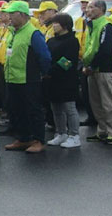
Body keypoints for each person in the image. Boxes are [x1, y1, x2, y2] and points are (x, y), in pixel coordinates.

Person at [3, 1, 52, 153]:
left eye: (12, 13)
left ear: (23, 15)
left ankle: (38, 140)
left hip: (28, 79)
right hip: (13, 78)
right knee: (17, 110)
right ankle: (24, 138)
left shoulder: (33, 33)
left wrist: (43, 73)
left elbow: (44, 56)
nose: (9, 16)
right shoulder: (13, 32)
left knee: (33, 110)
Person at [82, 0, 112, 144]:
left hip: (105, 70)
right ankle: (102, 131)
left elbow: (105, 49)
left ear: (101, 9)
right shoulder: (91, 25)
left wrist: (92, 66)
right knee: (96, 103)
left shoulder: (106, 25)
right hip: (93, 70)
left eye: (91, 7)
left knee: (109, 103)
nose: (87, 10)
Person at [45, 13, 81, 148]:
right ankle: (61, 132)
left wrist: (52, 70)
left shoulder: (72, 41)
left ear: (65, 25)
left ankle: (74, 135)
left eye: (56, 23)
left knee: (69, 108)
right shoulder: (51, 41)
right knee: (56, 108)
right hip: (52, 79)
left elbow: (68, 61)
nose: (54, 26)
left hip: (67, 79)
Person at [76, 0, 98, 127]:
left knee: (96, 94)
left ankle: (97, 118)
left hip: (92, 61)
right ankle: (91, 117)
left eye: (87, 3)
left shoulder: (99, 21)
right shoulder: (79, 20)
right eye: (83, 2)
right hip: (80, 59)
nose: (84, 5)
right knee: (85, 91)